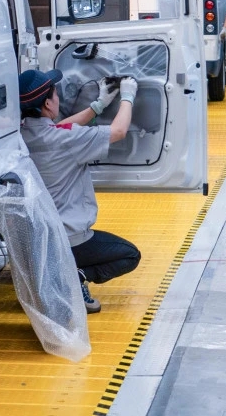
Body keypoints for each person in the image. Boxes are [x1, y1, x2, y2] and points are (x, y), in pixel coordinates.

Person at [18, 68, 142, 313]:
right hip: (70, 239)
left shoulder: (22, 134)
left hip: (37, 238)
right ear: (47, 104)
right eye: (55, 95)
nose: (59, 99)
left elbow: (58, 129)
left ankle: (61, 273)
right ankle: (76, 276)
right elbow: (118, 132)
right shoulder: (67, 141)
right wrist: (127, 96)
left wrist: (97, 106)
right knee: (130, 255)